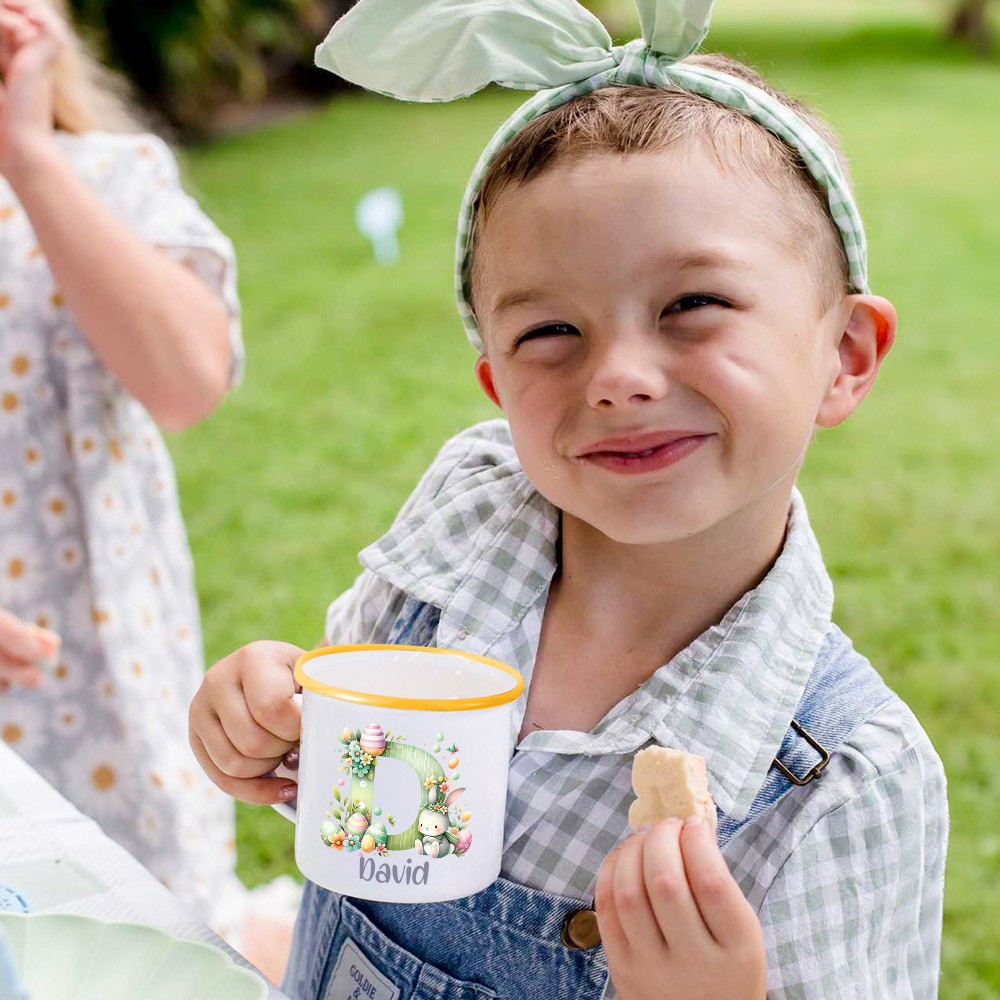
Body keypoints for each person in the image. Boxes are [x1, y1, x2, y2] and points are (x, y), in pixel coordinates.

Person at [189, 0, 948, 996]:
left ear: (843, 356)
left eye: (692, 306)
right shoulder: (459, 539)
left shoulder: (842, 780)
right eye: (550, 330)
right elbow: (380, 814)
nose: (618, 376)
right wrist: (281, 731)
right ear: (499, 386)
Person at [0, 0, 245, 931]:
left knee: (138, 933)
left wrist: (29, 157)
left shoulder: (108, 178)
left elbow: (187, 381)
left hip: (106, 679)